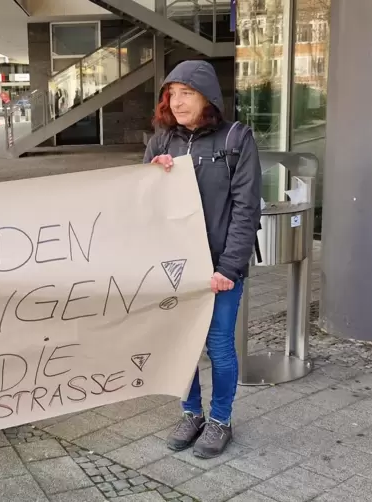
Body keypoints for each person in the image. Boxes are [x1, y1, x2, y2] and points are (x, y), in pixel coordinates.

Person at [143, 60, 261, 458]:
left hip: (219, 268)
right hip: (175, 268)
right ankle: (191, 413)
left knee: (219, 347)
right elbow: (142, 203)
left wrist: (228, 268)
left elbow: (246, 208)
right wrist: (152, 176)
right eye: (171, 94)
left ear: (207, 96)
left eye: (186, 93)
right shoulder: (162, 141)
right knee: (181, 345)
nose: (177, 102)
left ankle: (221, 420)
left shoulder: (237, 139)